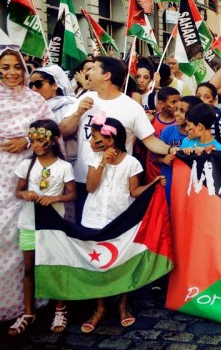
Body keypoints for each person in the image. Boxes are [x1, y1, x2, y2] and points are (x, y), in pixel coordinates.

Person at [60, 56, 175, 223]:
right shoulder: (83, 99)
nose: (87, 73)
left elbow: (150, 141)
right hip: (85, 181)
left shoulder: (131, 107)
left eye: (93, 69)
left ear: (106, 75)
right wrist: (78, 112)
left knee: (115, 239)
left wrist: (171, 149)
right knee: (85, 234)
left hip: (118, 186)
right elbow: (63, 130)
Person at [80, 115, 166, 333]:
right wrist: (102, 162)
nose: (92, 143)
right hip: (93, 218)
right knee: (97, 263)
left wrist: (153, 184)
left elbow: (135, 192)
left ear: (111, 140)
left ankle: (123, 304)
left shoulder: (131, 163)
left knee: (121, 261)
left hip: (120, 218)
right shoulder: (94, 157)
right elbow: (90, 187)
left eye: (97, 139)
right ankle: (99, 308)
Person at [0, 48, 54, 323]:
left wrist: (26, 139)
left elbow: (50, 128)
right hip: (0, 170)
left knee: (22, 236)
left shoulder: (35, 100)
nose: (12, 73)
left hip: (28, 173)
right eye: (6, 67)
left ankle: (28, 301)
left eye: (17, 67)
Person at [9, 120, 76, 335]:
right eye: (34, 140)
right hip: (29, 223)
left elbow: (72, 194)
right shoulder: (26, 165)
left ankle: (60, 308)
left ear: (54, 140)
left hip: (53, 225)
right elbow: (17, 191)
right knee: (29, 269)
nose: (36, 145)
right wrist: (25, 194)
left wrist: (55, 197)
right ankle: (28, 312)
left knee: (55, 266)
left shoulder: (64, 167)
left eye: (41, 140)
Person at [30, 66, 78, 164]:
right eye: (31, 85)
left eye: (38, 84)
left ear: (55, 85)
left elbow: (65, 131)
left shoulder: (69, 105)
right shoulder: (30, 107)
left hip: (65, 160)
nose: (34, 89)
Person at [159, 96, 202, 204]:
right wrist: (165, 159)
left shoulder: (199, 137)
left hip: (190, 184)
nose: (176, 113)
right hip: (169, 180)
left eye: (182, 111)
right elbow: (157, 156)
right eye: (176, 109)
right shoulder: (168, 131)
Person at [145, 87, 180, 182]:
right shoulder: (151, 120)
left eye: (179, 101)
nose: (177, 105)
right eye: (173, 102)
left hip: (171, 174)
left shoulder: (179, 123)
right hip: (151, 174)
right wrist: (146, 122)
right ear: (161, 103)